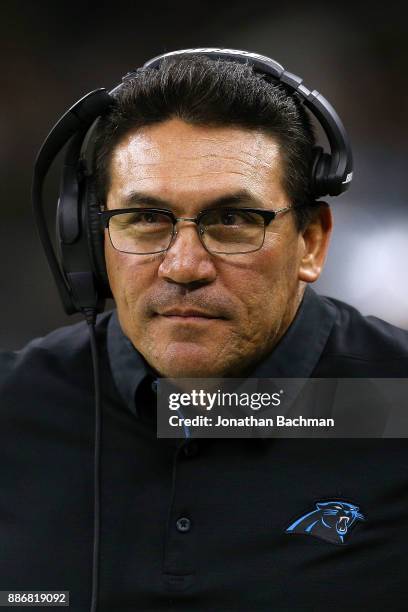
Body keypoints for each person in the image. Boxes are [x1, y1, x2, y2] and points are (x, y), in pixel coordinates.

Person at [1, 50, 408, 612]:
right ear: (90, 239)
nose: (184, 266)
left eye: (233, 220)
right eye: (145, 218)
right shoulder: (12, 407)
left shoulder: (399, 401)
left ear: (311, 242)